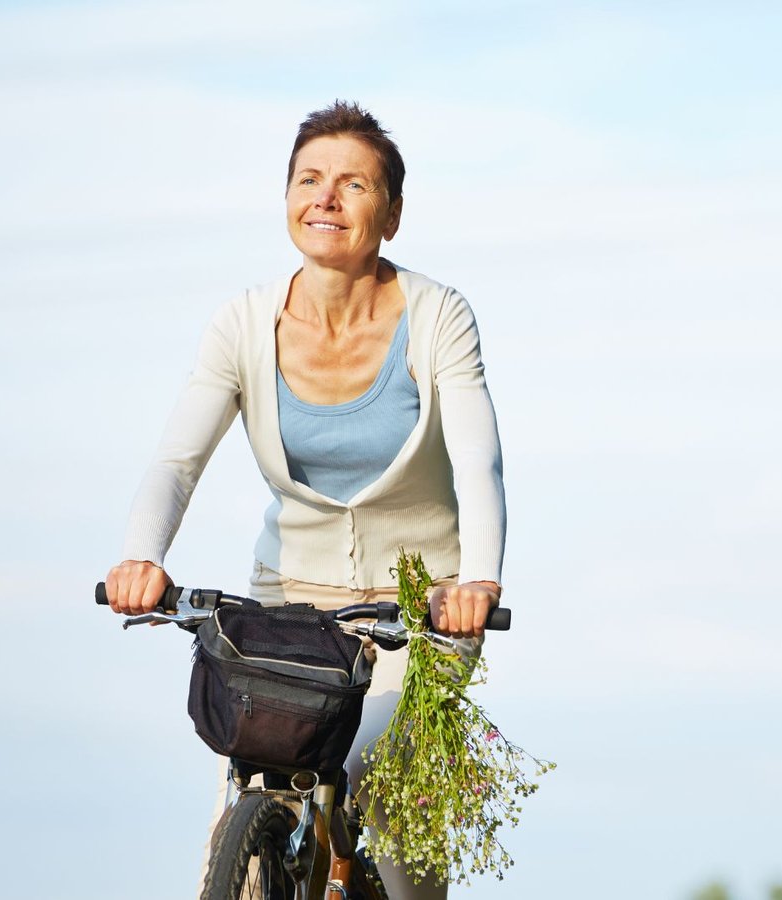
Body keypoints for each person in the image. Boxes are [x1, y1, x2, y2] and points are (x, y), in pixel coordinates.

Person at [101, 100, 505, 900]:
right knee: (250, 801)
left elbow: (480, 460)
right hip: (290, 602)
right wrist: (141, 555)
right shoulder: (243, 324)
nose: (326, 197)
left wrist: (479, 582)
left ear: (390, 214)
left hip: (421, 607)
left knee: (381, 787)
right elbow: (177, 461)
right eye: (309, 179)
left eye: (353, 184)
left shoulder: (438, 317)